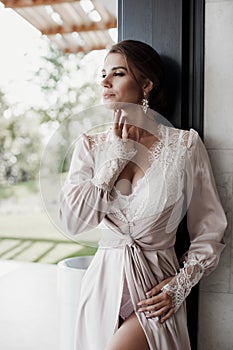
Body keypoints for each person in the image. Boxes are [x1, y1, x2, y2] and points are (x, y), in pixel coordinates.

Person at [59, 40, 227, 350]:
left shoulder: (185, 146)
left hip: (155, 292)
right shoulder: (90, 146)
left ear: (146, 84)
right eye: (103, 74)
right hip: (102, 287)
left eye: (118, 74)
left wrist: (179, 286)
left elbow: (210, 230)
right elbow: (72, 222)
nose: (105, 82)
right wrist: (116, 160)